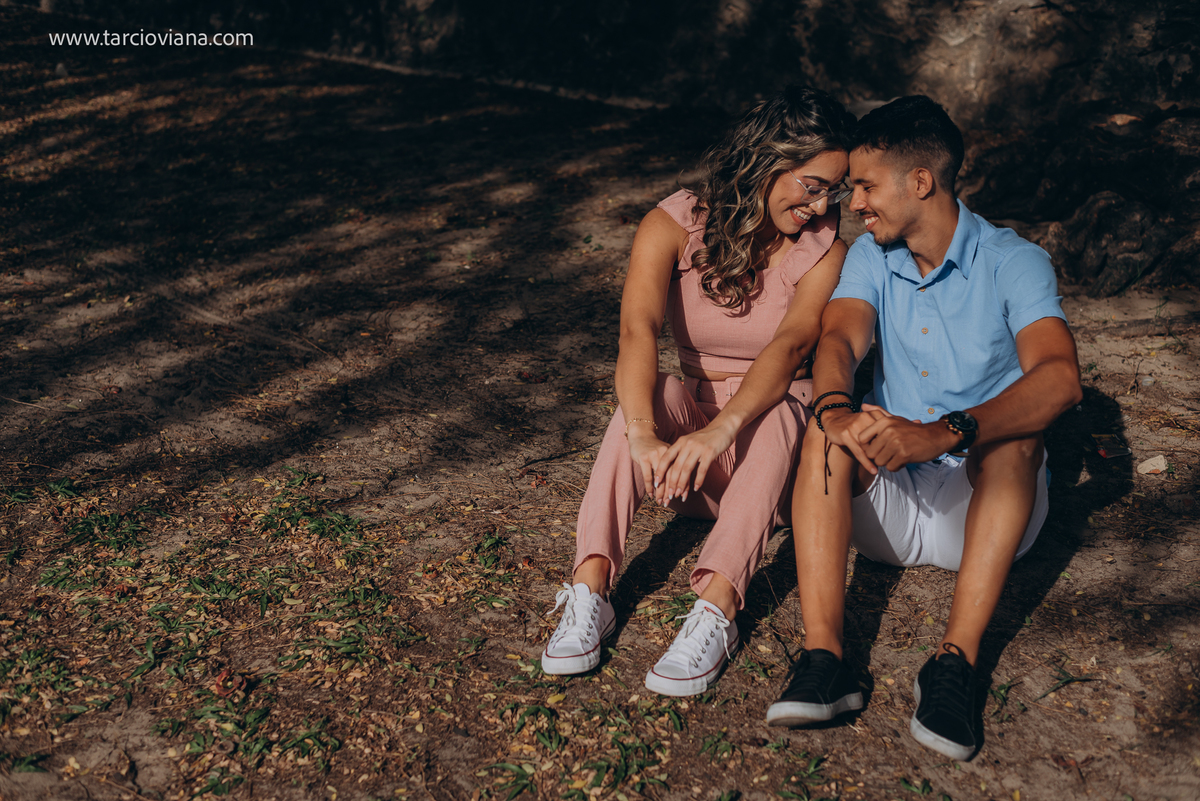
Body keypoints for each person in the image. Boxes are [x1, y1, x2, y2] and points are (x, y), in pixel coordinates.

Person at [764, 95, 1083, 759]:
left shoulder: (1011, 260)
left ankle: (953, 667)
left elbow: (1059, 379)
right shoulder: (873, 257)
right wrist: (838, 412)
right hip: (887, 498)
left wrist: (944, 432)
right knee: (825, 427)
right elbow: (839, 342)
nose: (853, 204)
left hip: (985, 511)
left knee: (1019, 439)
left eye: (865, 186)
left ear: (921, 181)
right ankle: (827, 663)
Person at [539, 86, 857, 697]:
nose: (821, 206)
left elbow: (791, 347)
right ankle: (590, 589)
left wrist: (721, 430)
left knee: (793, 398)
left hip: (772, 464)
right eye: (813, 185)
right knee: (655, 389)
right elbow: (638, 331)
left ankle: (716, 608)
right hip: (686, 469)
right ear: (768, 162)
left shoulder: (824, 250)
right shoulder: (673, 222)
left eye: (833, 191)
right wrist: (642, 435)